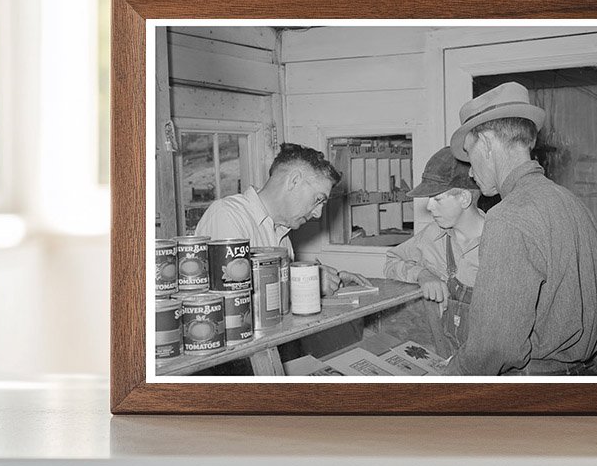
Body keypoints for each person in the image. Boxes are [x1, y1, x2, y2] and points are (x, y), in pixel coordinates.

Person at [444, 81, 597, 377]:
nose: (470, 172)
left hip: (533, 389)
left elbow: (494, 347)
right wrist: (593, 363)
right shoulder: (572, 203)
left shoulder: (508, 217)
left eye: (470, 155)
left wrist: (446, 382)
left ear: (485, 143)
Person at [194, 142, 346, 293]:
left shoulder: (281, 232)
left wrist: (334, 280)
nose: (318, 213)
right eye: (318, 199)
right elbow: (234, 296)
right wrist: (308, 282)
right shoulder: (228, 215)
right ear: (294, 181)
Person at [383, 146, 485, 358]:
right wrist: (423, 275)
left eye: (437, 199)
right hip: (447, 355)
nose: (429, 207)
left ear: (465, 198)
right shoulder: (432, 235)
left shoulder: (501, 241)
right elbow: (392, 260)